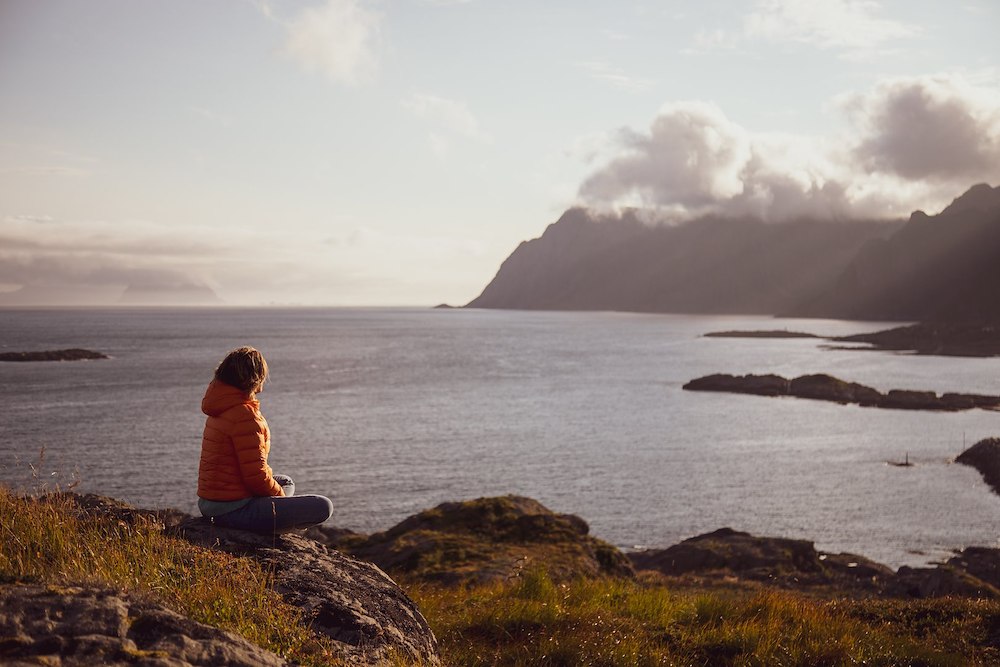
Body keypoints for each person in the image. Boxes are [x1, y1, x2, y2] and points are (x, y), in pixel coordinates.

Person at [196, 346, 333, 533]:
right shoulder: (244, 416)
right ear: (254, 377)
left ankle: (273, 517)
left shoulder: (222, 406)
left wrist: (277, 495)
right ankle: (272, 528)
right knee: (323, 506)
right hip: (231, 510)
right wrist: (279, 500)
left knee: (285, 481)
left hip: (211, 503)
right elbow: (256, 476)